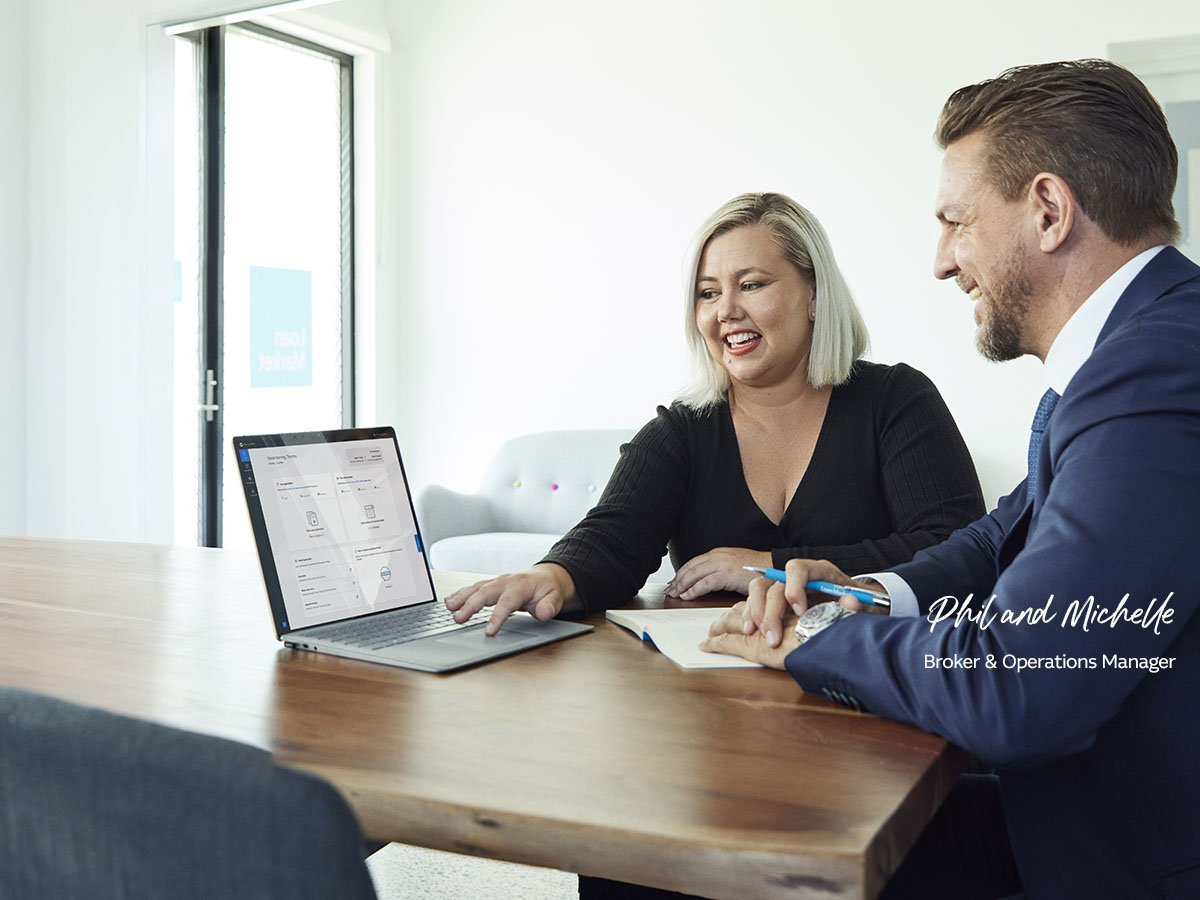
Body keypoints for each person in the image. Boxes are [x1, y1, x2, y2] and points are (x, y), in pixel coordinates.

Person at [704, 60, 1200, 900]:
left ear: (1048, 211)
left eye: (956, 222)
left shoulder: (1153, 371)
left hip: (1129, 855)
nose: (941, 262)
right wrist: (866, 593)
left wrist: (816, 637)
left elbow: (1020, 687)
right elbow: (1003, 530)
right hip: (1093, 806)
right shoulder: (1138, 349)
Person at [445, 192, 984, 639]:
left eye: (751, 284)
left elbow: (954, 546)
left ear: (814, 294)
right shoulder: (682, 430)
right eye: (708, 293)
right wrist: (552, 576)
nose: (725, 310)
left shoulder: (895, 400)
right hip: (725, 692)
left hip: (881, 682)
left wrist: (766, 561)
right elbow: (614, 539)